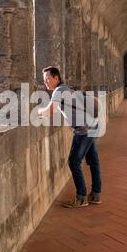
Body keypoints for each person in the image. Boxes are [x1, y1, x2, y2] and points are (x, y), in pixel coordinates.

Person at [38, 66, 102, 208]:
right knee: (93, 161)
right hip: (92, 125)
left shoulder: (59, 90)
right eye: (44, 80)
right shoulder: (67, 89)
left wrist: (37, 111)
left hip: (83, 130)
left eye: (48, 78)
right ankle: (96, 194)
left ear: (56, 78)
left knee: (74, 162)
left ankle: (81, 198)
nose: (46, 82)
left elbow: (49, 111)